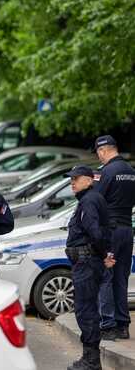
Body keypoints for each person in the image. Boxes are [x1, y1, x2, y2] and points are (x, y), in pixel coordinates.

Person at [64, 165, 114, 370]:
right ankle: (90, 359)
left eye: (76, 179)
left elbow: (95, 232)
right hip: (87, 261)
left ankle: (91, 361)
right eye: (71, 179)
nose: (72, 183)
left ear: (89, 180)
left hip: (86, 263)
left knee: (86, 310)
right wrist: (105, 254)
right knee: (87, 309)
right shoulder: (90, 199)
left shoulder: (89, 200)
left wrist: (103, 255)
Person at [93, 135, 135, 340]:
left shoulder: (106, 172)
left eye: (98, 153)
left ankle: (108, 326)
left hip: (110, 231)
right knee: (121, 278)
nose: (99, 157)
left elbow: (95, 200)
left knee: (106, 277)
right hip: (128, 229)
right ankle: (123, 325)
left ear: (103, 151)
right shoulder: (131, 171)